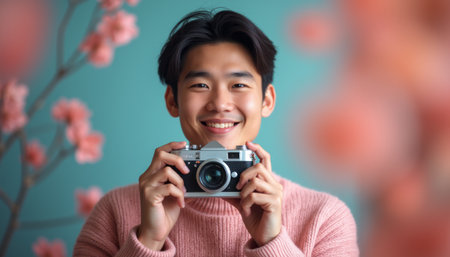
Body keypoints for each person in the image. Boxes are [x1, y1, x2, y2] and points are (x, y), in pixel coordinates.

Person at [73, 9, 359, 256]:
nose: (220, 104)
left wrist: (272, 242)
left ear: (267, 100)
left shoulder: (324, 217)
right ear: (172, 100)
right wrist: (149, 241)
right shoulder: (115, 211)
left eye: (238, 85)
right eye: (200, 85)